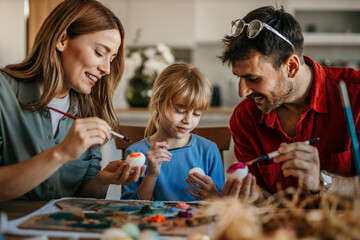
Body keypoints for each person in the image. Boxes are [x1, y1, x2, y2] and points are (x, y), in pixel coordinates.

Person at [0, 0, 146, 203]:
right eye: (99, 53)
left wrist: (103, 180)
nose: (106, 69)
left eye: (111, 59)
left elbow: (82, 200)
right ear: (62, 40)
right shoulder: (3, 93)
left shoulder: (89, 111)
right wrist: (61, 153)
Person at [220, 6, 360, 200]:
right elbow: (266, 199)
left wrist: (322, 181)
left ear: (291, 67)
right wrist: (255, 197)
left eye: (253, 79)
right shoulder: (245, 117)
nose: (242, 92)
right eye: (239, 77)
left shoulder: (355, 95)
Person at [121, 63, 225, 201]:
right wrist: (151, 175)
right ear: (158, 103)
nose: (188, 120)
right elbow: (130, 210)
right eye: (179, 111)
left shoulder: (208, 151)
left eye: (196, 113)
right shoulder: (136, 154)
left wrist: (214, 197)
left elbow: (223, 210)